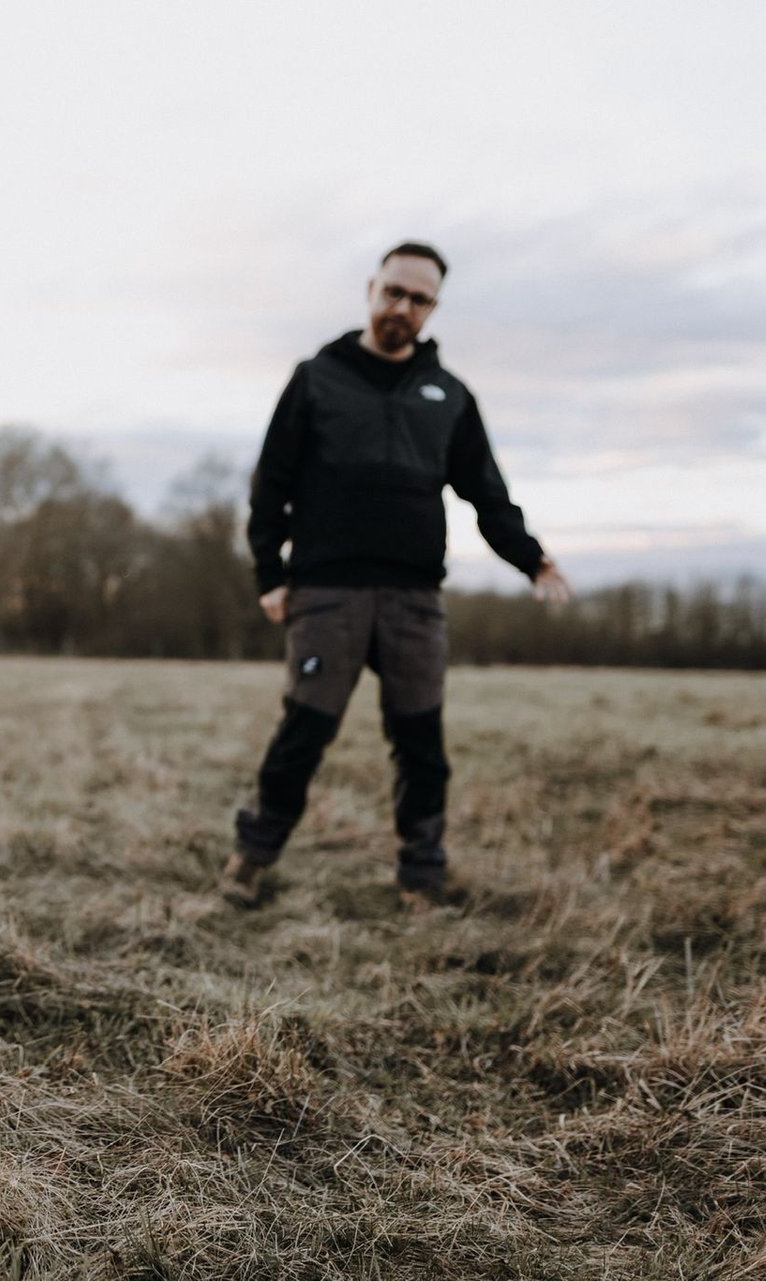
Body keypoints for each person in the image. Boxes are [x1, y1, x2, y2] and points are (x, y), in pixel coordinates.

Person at [222, 241, 572, 911]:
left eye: (419, 299)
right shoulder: (315, 379)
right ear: (370, 288)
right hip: (328, 591)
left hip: (414, 599)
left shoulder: (449, 396)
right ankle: (252, 858)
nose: (402, 308)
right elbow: (271, 488)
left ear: (432, 307)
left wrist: (531, 557)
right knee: (303, 734)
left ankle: (421, 876)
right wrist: (270, 572)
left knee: (421, 744)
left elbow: (485, 494)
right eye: (394, 292)